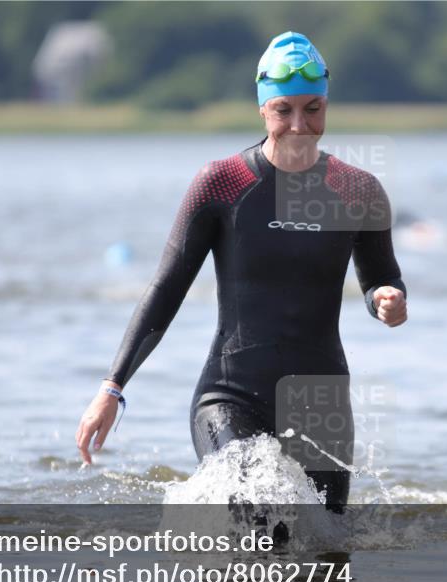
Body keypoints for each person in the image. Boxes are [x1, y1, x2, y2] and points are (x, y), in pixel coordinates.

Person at [75, 31, 407, 511]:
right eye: (283, 111)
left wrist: (387, 302)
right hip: (231, 396)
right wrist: (113, 387)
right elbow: (166, 288)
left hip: (321, 403)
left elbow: (381, 279)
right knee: (255, 511)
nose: (298, 124)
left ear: (327, 105)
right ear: (262, 109)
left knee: (327, 553)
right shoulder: (223, 184)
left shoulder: (358, 191)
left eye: (313, 109)